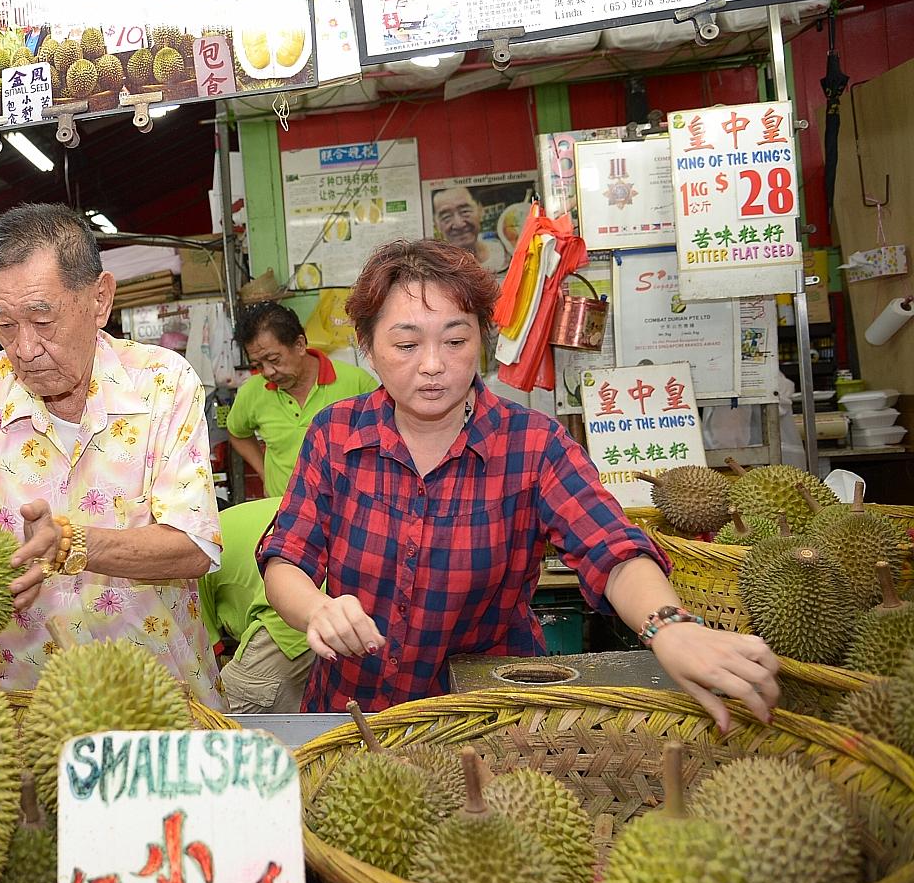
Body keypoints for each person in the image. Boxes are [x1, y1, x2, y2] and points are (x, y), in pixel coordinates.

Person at [259, 240, 780, 732]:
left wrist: (669, 627)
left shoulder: (532, 444)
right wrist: (318, 610)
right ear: (368, 348)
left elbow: (613, 550)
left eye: (456, 340)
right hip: (356, 710)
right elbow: (287, 559)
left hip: (489, 717)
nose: (434, 364)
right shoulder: (336, 434)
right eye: (406, 344)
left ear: (482, 341)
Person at [0, 203, 225, 705]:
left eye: (42, 319)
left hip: (160, 698)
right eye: (3, 324)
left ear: (99, 299)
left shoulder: (162, 384)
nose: (23, 348)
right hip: (28, 705)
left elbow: (195, 546)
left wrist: (69, 543)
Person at [226, 301, 375, 498]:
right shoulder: (252, 392)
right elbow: (237, 432)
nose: (268, 372)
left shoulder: (356, 383)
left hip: (346, 510)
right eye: (258, 365)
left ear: (300, 344)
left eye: (274, 360)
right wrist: (265, 473)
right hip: (285, 513)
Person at [199, 498, 314, 713]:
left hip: (294, 608)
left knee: (222, 719)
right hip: (346, 605)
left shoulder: (195, 545)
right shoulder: (238, 517)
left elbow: (206, 655)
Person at [431, 186, 509, 274]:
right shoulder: (437, 270)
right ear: (436, 223)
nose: (459, 224)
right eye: (446, 217)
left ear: (480, 209)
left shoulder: (502, 252)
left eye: (465, 211)